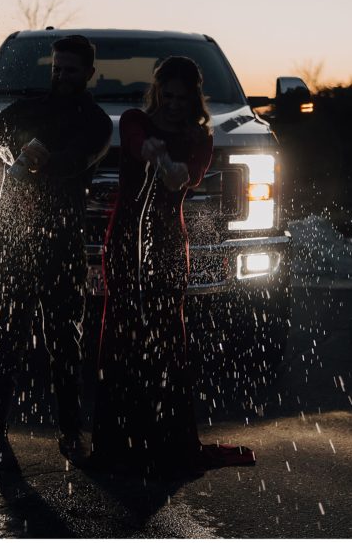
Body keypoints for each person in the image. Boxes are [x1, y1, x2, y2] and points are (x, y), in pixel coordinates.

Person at [0, 35, 112, 470]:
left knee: (64, 341)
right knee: (6, 335)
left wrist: (38, 158)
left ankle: (71, 432)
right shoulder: (25, 109)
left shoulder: (97, 122)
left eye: (71, 70)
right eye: (57, 68)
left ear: (89, 74)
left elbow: (76, 161)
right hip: (10, 239)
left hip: (61, 243)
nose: (61, 75)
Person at [89, 56, 255, 478]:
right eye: (169, 95)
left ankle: (166, 439)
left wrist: (178, 171)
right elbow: (134, 141)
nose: (176, 104)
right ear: (158, 92)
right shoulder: (134, 120)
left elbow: (192, 175)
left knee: (167, 335)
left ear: (194, 97)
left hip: (168, 243)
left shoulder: (201, 137)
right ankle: (115, 439)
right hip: (124, 240)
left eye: (183, 98)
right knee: (120, 331)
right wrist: (151, 150)